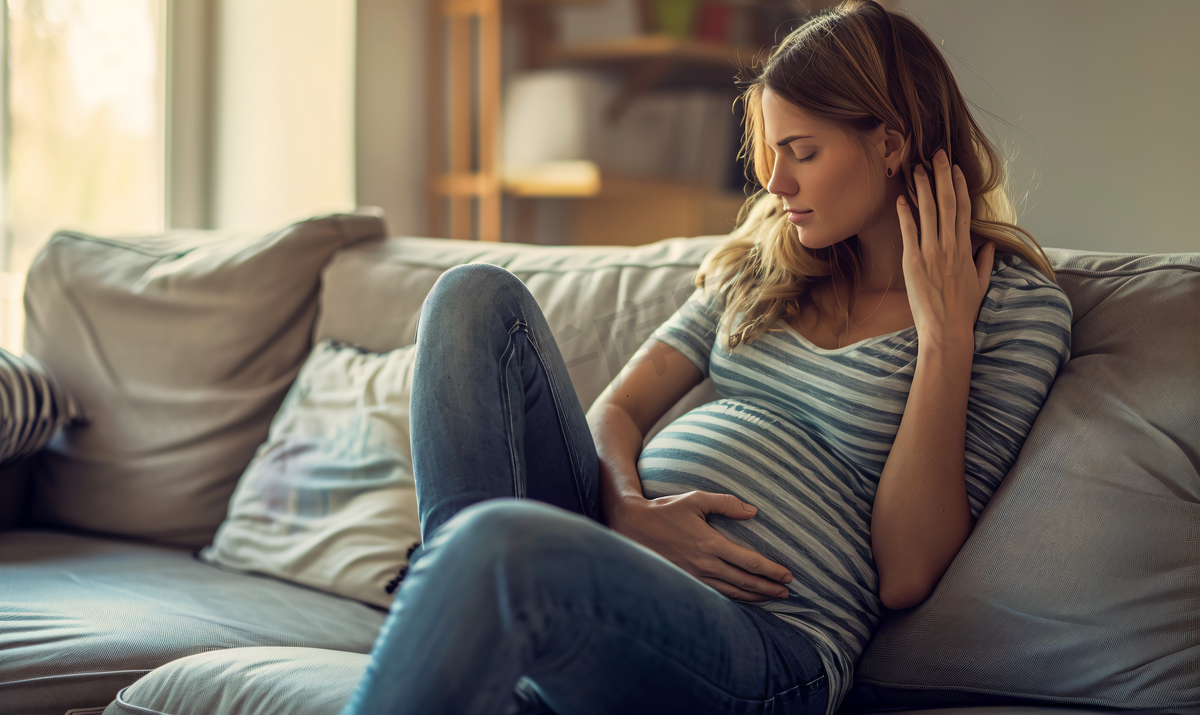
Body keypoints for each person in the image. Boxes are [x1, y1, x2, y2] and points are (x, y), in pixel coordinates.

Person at [341, 1, 1072, 714]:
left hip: (766, 646)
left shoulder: (1012, 309)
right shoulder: (767, 262)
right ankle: (475, 642)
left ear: (889, 143)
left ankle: (471, 628)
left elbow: (908, 572)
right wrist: (627, 507)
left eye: (804, 153)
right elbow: (619, 410)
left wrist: (943, 337)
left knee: (499, 542)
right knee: (473, 298)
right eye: (772, 154)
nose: (777, 185)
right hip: (611, 553)